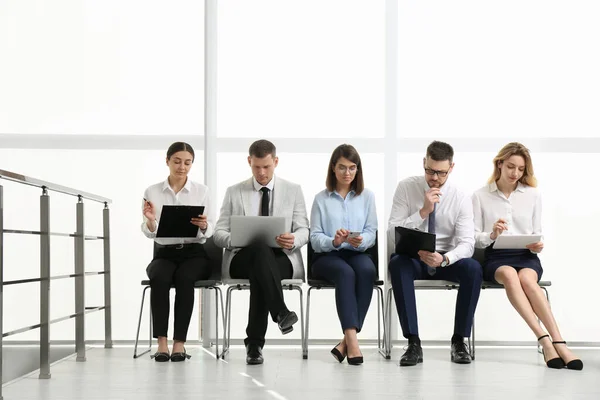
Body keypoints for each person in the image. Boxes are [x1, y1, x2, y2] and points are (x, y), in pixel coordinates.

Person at [472, 142, 583, 370]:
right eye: (511, 166)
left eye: (521, 169)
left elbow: (536, 232)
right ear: (500, 163)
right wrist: (492, 233)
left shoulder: (533, 195)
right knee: (511, 276)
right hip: (496, 257)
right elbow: (474, 238)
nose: (515, 173)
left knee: (528, 281)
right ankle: (544, 340)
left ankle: (559, 342)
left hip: (526, 255)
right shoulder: (480, 195)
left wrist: (537, 246)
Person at [214, 139, 309, 365]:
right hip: (242, 257)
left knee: (262, 269)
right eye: (256, 167)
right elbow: (218, 233)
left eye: (266, 167)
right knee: (258, 252)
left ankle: (254, 345)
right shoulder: (234, 192)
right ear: (249, 161)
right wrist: (236, 238)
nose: (262, 172)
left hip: (282, 257)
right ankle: (280, 312)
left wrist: (293, 238)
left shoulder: (293, 190)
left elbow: (304, 229)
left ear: (275, 162)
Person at [387, 140, 482, 366]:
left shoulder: (460, 198)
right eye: (430, 171)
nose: (435, 178)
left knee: (473, 269)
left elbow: (467, 243)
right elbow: (393, 231)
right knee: (397, 264)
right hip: (414, 257)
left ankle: (459, 341)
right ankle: (413, 343)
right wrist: (423, 211)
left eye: (441, 172)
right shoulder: (406, 188)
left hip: (446, 258)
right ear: (424, 163)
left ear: (451, 168)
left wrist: (445, 258)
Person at [141, 142, 213, 362]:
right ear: (167, 161)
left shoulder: (202, 191)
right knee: (159, 277)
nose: (182, 167)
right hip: (164, 253)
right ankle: (161, 343)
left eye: (187, 162)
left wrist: (203, 226)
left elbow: (209, 231)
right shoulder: (152, 191)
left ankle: (179, 344)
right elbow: (149, 232)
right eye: (177, 161)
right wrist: (151, 221)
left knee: (185, 278)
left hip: (194, 253)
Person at [309, 144, 377, 365]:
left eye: (352, 168)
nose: (347, 173)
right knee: (345, 273)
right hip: (327, 257)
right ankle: (353, 342)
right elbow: (315, 238)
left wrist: (361, 240)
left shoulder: (367, 197)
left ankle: (346, 342)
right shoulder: (321, 199)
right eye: (342, 168)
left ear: (358, 170)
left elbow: (371, 232)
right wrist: (334, 241)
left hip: (356, 253)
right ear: (333, 168)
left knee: (367, 271)